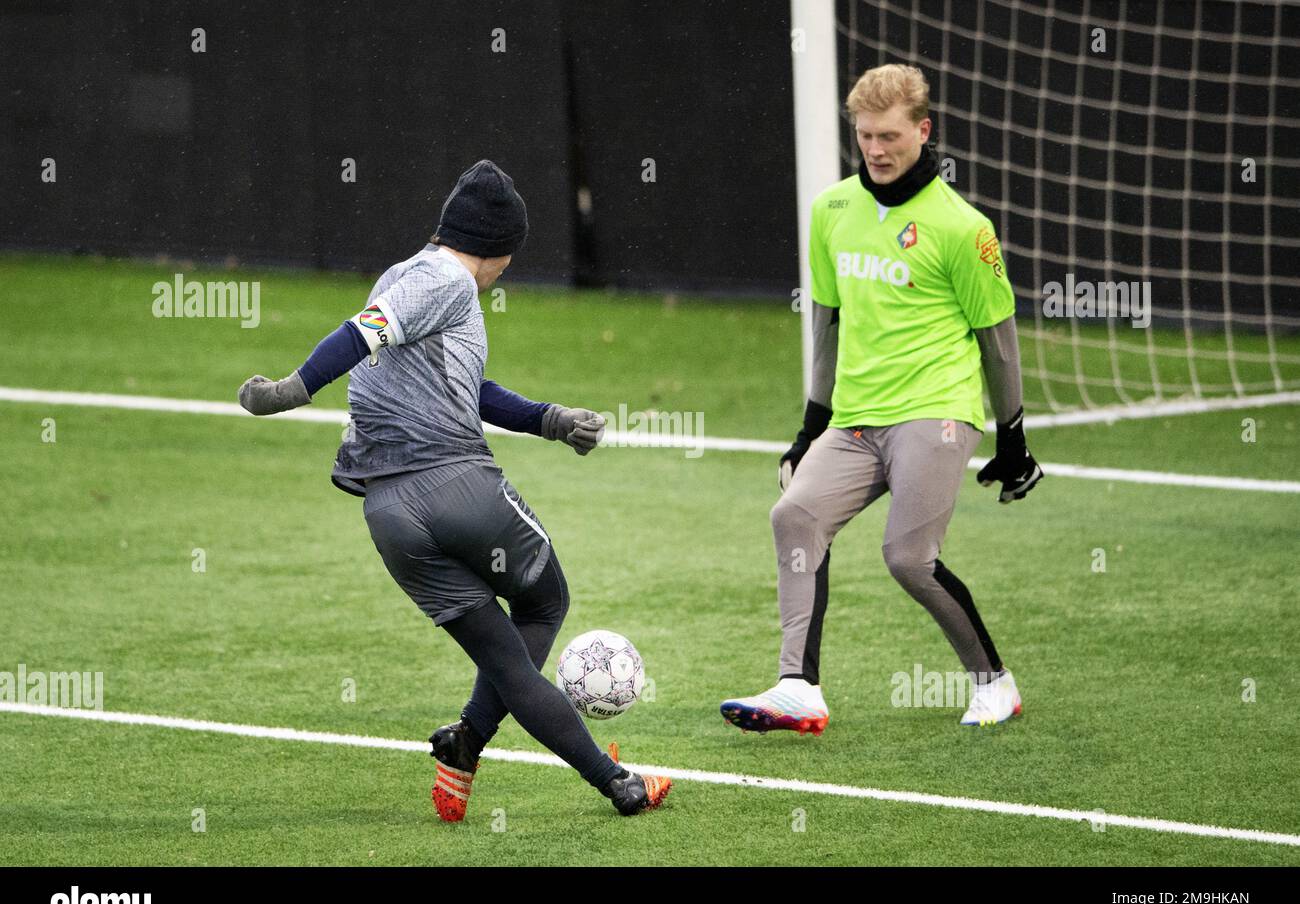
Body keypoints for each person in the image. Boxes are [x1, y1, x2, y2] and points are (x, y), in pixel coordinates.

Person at [238, 159, 670, 819]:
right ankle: (599, 778)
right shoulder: (450, 281)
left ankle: (477, 748)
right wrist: (290, 391)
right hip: (455, 487)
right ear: (498, 250)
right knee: (545, 602)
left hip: (390, 516)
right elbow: (363, 334)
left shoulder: (403, 275)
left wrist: (548, 420)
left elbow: (464, 387)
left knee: (504, 658)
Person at [721, 65, 1042, 734]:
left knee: (907, 559)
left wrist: (1012, 435)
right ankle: (798, 687)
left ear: (923, 132)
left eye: (890, 134)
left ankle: (995, 683)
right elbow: (827, 325)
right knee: (795, 516)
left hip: (937, 410)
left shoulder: (962, 227)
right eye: (865, 134)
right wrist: (810, 427)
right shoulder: (832, 210)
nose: (876, 148)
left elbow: (999, 340)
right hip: (857, 416)